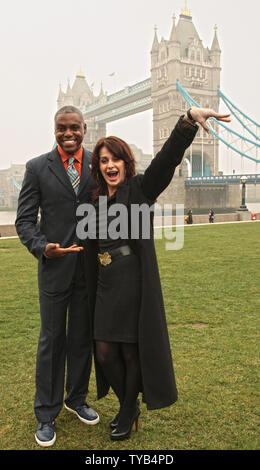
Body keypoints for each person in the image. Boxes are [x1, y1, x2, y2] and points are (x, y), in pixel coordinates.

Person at [81, 107, 231, 441]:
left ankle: (126, 410)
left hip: (133, 279)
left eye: (115, 159)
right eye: (103, 160)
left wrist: (188, 120)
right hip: (105, 283)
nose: (110, 165)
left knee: (132, 350)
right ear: (98, 166)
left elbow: (166, 161)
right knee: (105, 352)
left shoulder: (140, 190)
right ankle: (128, 405)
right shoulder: (91, 202)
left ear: (125, 162)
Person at [15, 105, 99, 447]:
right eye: (62, 128)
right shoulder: (37, 168)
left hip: (89, 269)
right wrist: (41, 247)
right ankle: (46, 414)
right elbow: (23, 221)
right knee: (52, 341)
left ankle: (75, 398)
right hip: (53, 268)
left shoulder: (98, 162)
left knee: (82, 338)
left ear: (84, 128)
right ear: (54, 129)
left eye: (75, 127)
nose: (69, 133)